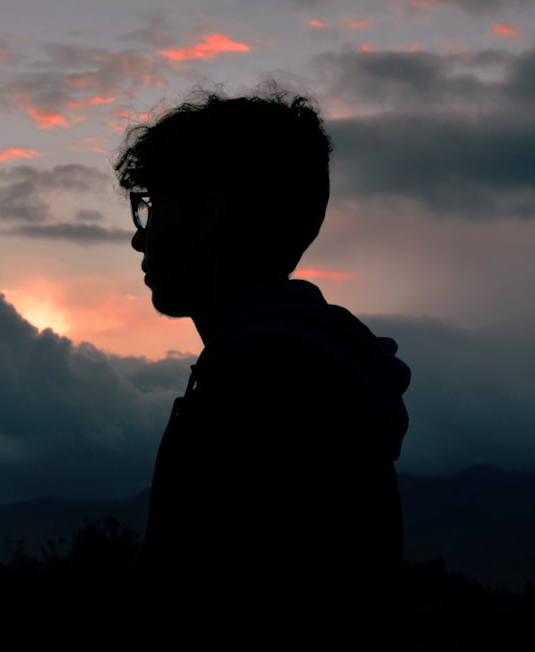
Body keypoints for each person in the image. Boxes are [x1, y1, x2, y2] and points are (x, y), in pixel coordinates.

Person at [115, 85, 410, 646]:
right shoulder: (310, 376)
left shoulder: (258, 396)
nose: (138, 236)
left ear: (209, 213)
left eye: (152, 205)